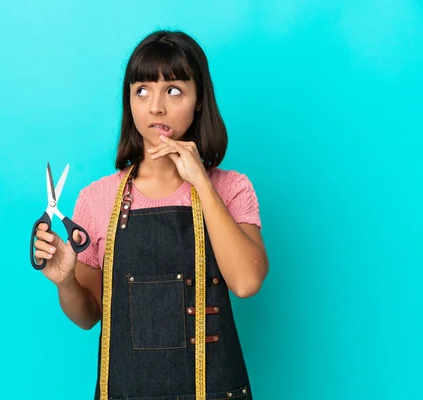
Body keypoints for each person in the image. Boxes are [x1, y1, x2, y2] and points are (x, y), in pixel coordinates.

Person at [32, 29, 269, 400]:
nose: (155, 106)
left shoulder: (231, 187)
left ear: (199, 101)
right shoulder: (98, 198)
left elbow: (247, 282)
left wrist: (201, 184)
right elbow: (88, 315)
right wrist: (65, 282)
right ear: (129, 101)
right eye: (142, 90)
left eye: (173, 90)